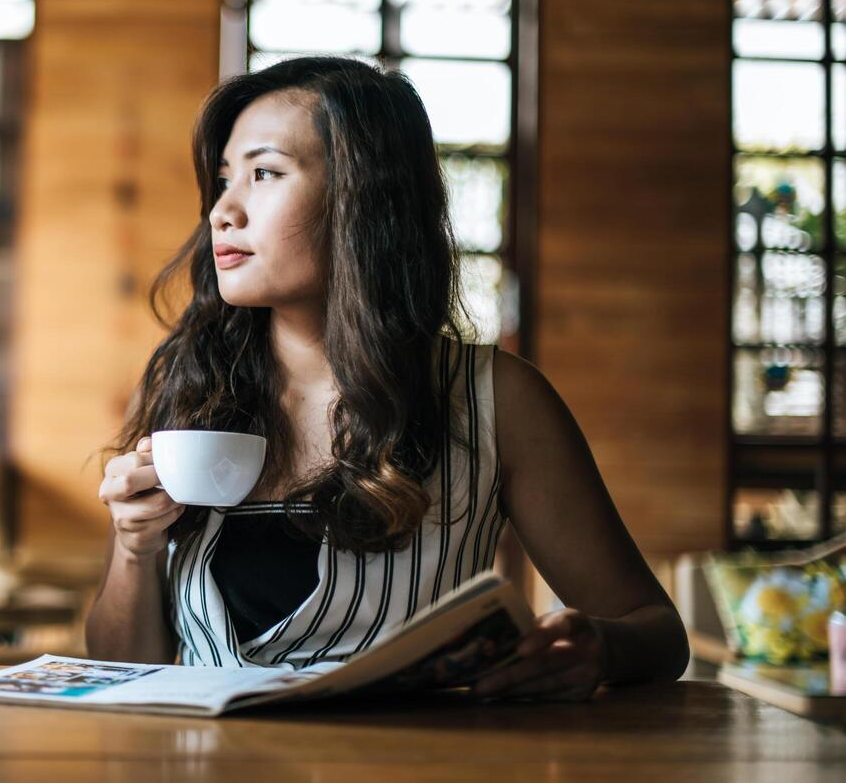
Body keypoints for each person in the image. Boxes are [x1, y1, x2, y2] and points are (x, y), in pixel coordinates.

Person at [82, 56, 689, 702]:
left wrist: (594, 648)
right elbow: (124, 666)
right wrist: (133, 544)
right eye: (224, 178)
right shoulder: (187, 387)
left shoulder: (495, 397)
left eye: (263, 173)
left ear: (363, 197)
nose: (221, 211)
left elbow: (656, 634)